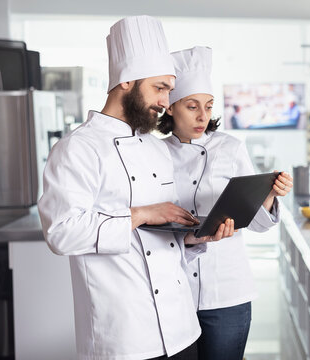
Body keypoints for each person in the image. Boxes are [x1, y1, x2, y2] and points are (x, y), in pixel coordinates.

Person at [38, 16, 234, 360]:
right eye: (159, 87)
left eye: (169, 90)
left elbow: (162, 241)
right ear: (126, 81)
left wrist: (194, 237)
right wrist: (142, 214)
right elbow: (62, 233)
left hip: (182, 327)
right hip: (124, 334)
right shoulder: (77, 148)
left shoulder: (157, 149)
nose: (165, 101)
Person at [157, 46, 293, 360]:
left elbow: (258, 223)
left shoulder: (230, 147)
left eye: (208, 106)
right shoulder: (153, 153)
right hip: (173, 291)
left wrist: (269, 194)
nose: (203, 116)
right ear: (171, 108)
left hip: (228, 292)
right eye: (192, 106)